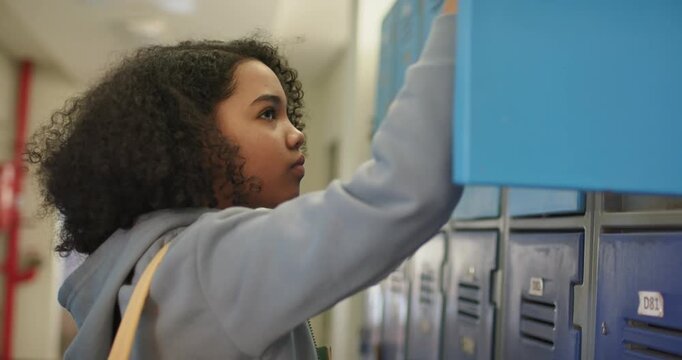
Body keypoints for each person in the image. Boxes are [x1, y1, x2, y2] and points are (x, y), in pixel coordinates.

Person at [27, 0, 460, 358]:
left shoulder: (144, 266)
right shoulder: (206, 263)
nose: (297, 133)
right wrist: (458, 23)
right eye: (268, 113)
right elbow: (403, 193)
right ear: (195, 140)